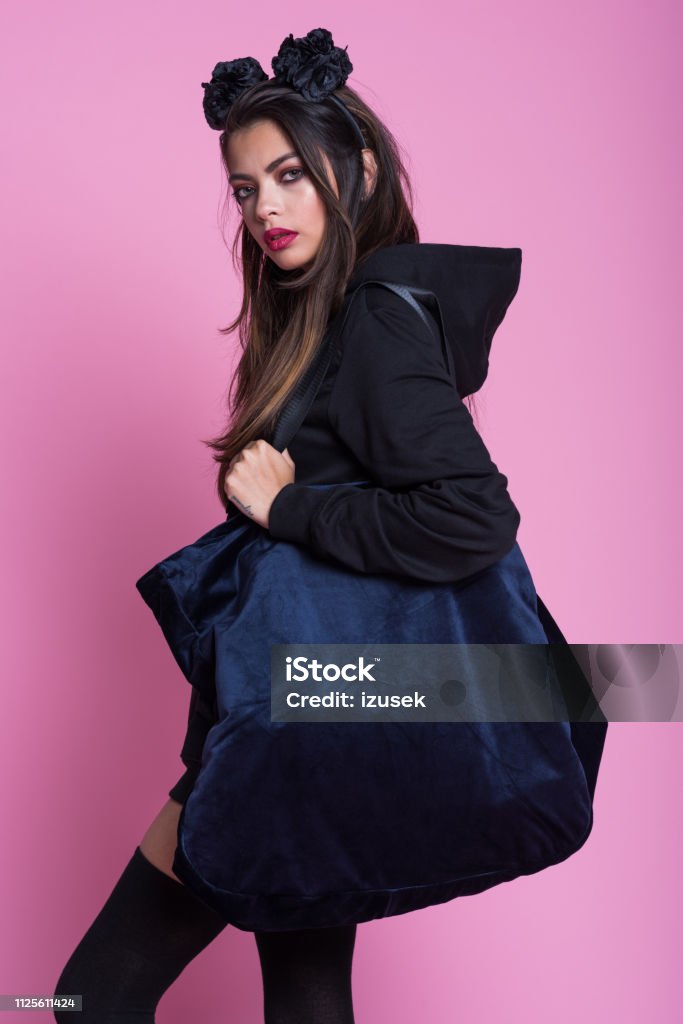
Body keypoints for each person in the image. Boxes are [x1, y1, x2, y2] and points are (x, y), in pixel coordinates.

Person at [53, 27, 606, 1023]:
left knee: (89, 995)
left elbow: (469, 516)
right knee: (308, 993)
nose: (263, 204)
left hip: (305, 723)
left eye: (288, 175)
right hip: (301, 725)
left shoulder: (377, 320)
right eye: (242, 187)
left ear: (353, 171)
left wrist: (285, 504)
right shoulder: (330, 321)